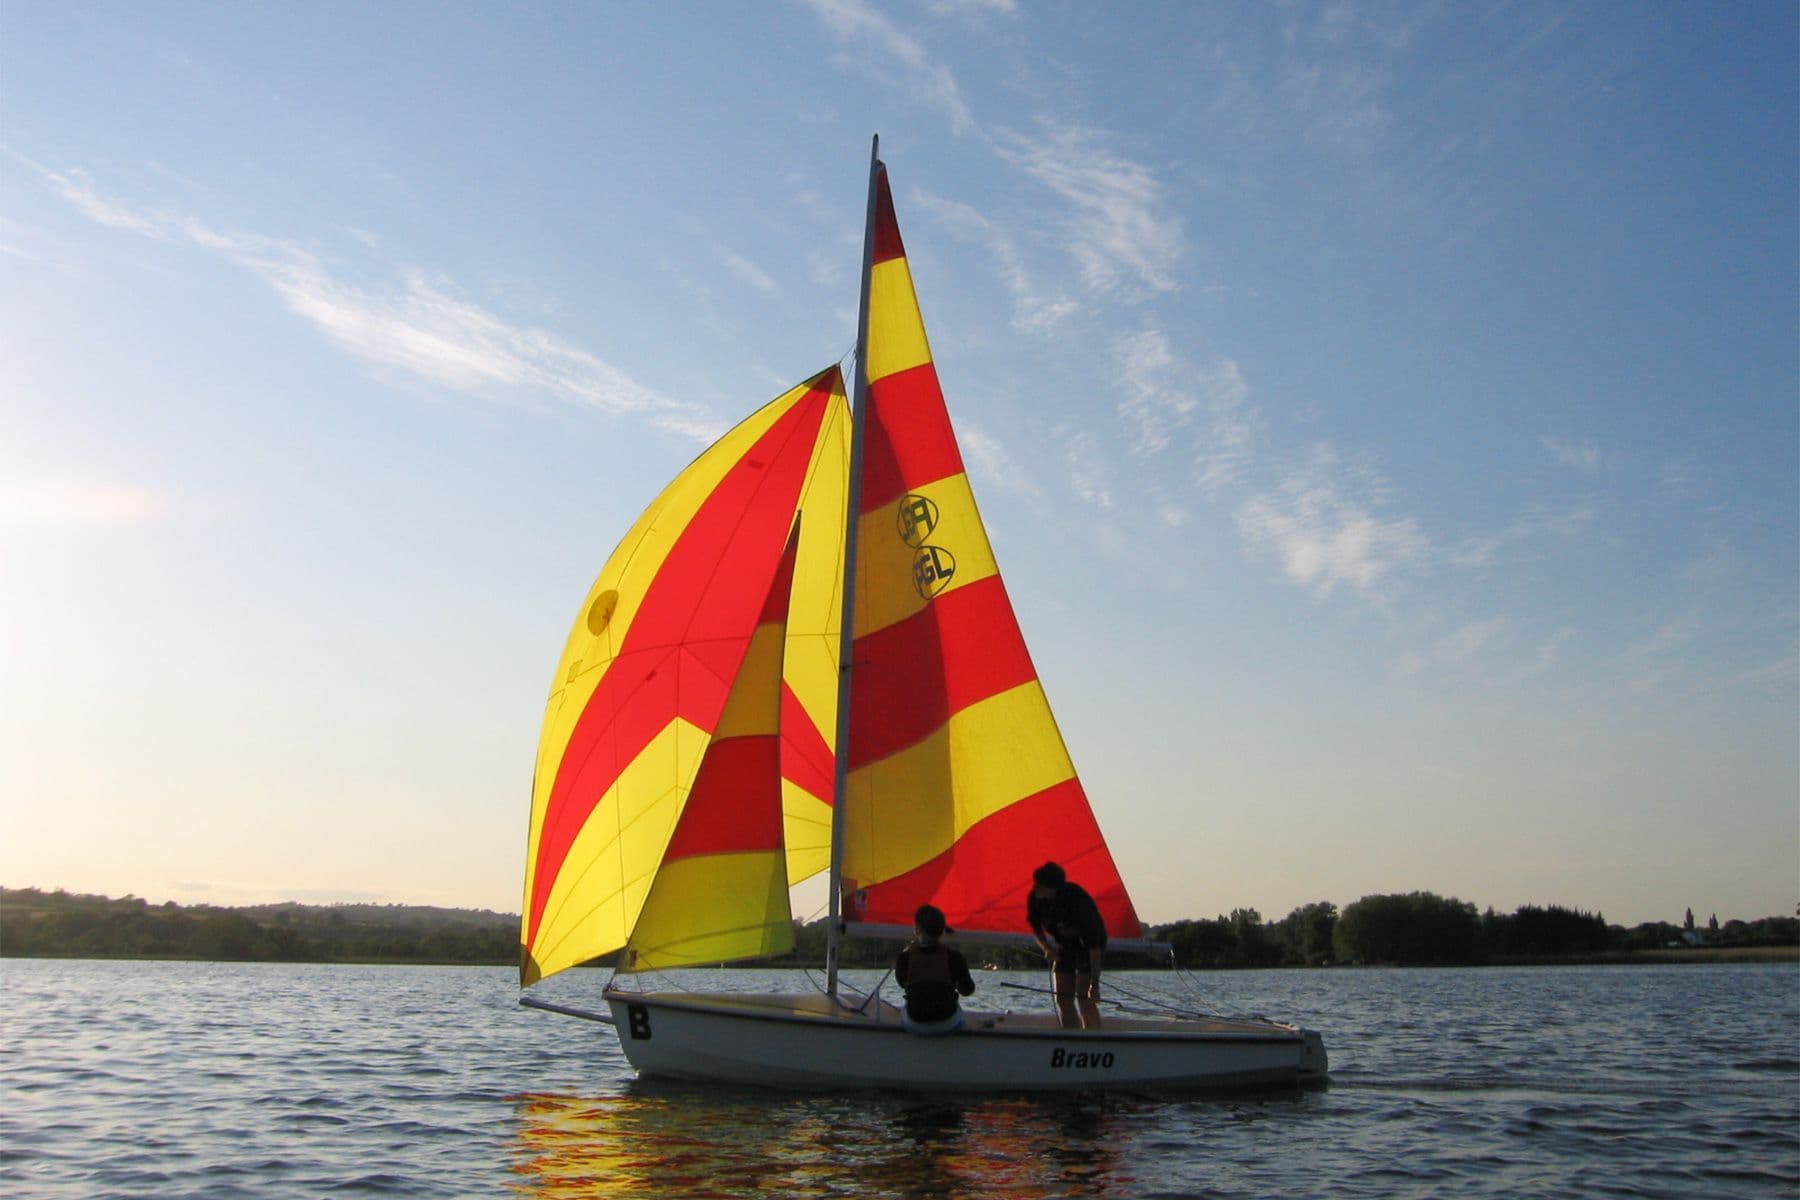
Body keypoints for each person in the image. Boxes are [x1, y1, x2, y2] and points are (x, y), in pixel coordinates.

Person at [1026, 861, 1107, 1029]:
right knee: (1063, 998)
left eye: (1039, 885)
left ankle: (1094, 1040)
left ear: (1051, 887)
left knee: (1084, 997)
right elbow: (1035, 926)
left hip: (1087, 947)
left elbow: (1094, 947)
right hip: (1064, 946)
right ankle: (1071, 1037)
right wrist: (1047, 948)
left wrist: (1095, 983)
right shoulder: (1035, 898)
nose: (1034, 888)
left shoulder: (1077, 901)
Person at [894, 904, 975, 1035]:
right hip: (947, 1023)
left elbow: (903, 983)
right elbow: (967, 990)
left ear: (917, 929)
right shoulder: (954, 957)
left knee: (904, 1011)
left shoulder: (905, 958)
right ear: (942, 930)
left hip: (916, 1022)